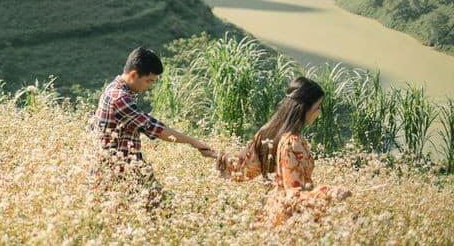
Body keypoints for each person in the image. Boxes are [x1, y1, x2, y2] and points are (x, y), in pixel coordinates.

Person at [216, 76, 351, 226]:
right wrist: (330, 193)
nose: (319, 113)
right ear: (303, 108)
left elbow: (242, 168)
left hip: (269, 215)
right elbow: (293, 196)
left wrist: (218, 157)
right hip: (288, 222)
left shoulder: (268, 133)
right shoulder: (292, 142)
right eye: (318, 107)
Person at [92, 47, 216, 209]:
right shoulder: (120, 98)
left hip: (124, 171)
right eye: (149, 81)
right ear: (134, 75)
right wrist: (193, 142)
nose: (149, 86)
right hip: (120, 173)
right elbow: (155, 128)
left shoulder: (112, 89)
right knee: (164, 211)